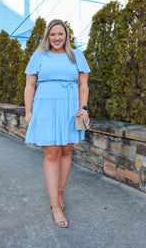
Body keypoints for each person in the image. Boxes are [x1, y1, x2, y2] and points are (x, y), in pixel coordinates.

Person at [24, 19, 90, 228]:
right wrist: (28, 111)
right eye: (53, 34)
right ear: (47, 36)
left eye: (60, 34)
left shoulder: (76, 55)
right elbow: (29, 85)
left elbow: (83, 84)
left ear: (66, 35)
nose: (57, 38)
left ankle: (60, 193)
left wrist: (84, 107)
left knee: (67, 151)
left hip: (70, 109)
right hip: (45, 108)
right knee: (52, 153)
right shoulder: (39, 56)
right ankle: (55, 205)